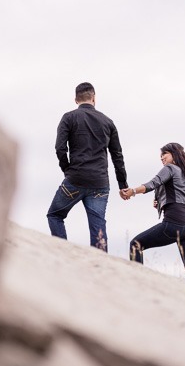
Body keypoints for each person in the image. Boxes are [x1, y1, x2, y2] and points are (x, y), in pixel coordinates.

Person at [47, 82, 128, 251]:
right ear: (94, 97)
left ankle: (62, 253)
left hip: (75, 178)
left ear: (76, 99)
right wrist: (123, 185)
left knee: (55, 215)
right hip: (100, 182)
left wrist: (67, 170)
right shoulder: (108, 122)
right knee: (98, 226)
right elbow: (117, 156)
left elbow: (60, 148)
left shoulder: (68, 118)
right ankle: (101, 266)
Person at [121, 142, 185, 284]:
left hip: (175, 223)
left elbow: (153, 183)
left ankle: (137, 284)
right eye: (161, 155)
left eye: (165, 154)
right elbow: (180, 196)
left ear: (175, 154)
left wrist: (133, 191)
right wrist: (160, 202)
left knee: (136, 244)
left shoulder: (170, 168)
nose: (162, 158)